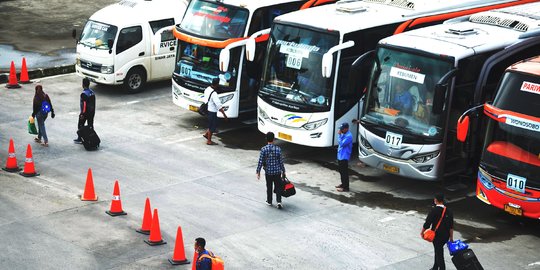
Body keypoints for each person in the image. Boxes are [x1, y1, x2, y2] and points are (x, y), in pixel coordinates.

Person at [421, 193, 454, 270]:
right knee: (438, 250)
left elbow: (427, 224)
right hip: (446, 236)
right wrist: (451, 237)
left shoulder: (434, 210)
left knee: (439, 253)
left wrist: (422, 232)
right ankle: (435, 267)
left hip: (437, 236)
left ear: (435, 200)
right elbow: (451, 226)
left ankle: (442, 268)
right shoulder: (449, 211)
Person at [256, 132, 286, 209]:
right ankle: (279, 201)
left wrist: (258, 171)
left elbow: (261, 161)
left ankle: (269, 201)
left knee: (269, 186)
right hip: (277, 172)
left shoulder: (263, 149)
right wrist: (283, 171)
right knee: (278, 186)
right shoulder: (278, 149)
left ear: (266, 139)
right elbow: (281, 162)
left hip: (268, 172)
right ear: (273, 139)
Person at [203, 78, 227, 145]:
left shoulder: (207, 89)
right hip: (212, 112)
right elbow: (219, 105)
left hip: (208, 109)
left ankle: (206, 134)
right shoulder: (214, 93)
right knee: (212, 127)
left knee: (211, 124)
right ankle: (209, 141)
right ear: (217, 84)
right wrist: (224, 115)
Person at [74, 78, 96, 144]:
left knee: (80, 125)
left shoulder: (83, 94)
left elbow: (84, 105)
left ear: (83, 85)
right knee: (90, 125)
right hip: (92, 112)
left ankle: (80, 138)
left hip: (85, 113)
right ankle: (92, 139)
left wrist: (82, 114)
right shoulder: (92, 92)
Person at [336, 123, 353, 192]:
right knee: (341, 171)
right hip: (340, 155)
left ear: (346, 128)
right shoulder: (344, 134)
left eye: (342, 129)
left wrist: (339, 135)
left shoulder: (349, 136)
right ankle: (343, 184)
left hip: (344, 156)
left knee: (344, 172)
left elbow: (342, 144)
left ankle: (346, 187)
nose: (341, 130)